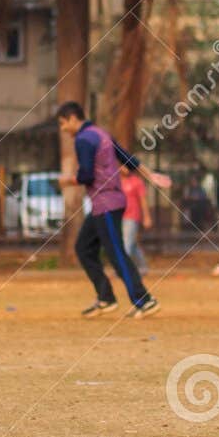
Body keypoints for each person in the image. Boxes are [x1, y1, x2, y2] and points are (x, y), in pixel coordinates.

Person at [56, 102, 171, 318]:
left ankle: (144, 301)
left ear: (72, 118)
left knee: (116, 253)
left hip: (107, 204)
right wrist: (150, 175)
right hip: (105, 204)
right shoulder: (101, 134)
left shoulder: (83, 139)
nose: (63, 129)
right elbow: (129, 159)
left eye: (63, 123)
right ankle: (105, 298)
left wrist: (67, 181)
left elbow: (87, 175)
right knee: (83, 248)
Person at [119, 164, 149, 273]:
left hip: (132, 216)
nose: (125, 169)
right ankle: (143, 267)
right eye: (123, 166)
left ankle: (121, 269)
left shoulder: (137, 181)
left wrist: (146, 217)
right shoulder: (116, 182)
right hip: (118, 217)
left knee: (127, 244)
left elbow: (143, 200)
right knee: (132, 244)